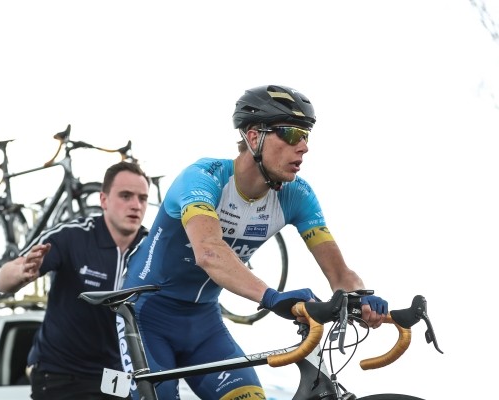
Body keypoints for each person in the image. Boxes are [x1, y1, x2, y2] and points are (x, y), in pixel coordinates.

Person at [122, 84, 389, 399]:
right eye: (291, 134)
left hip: (204, 323)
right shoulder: (203, 177)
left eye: (306, 136)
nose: (303, 146)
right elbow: (208, 251)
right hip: (145, 318)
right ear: (253, 136)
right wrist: (272, 298)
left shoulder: (296, 195)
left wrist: (361, 299)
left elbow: (340, 274)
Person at [0, 161, 150, 400]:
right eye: (126, 196)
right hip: (61, 373)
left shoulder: (152, 246)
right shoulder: (72, 236)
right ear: (104, 200)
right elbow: (3, 281)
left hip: (115, 376)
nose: (135, 205)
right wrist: (20, 273)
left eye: (142, 198)